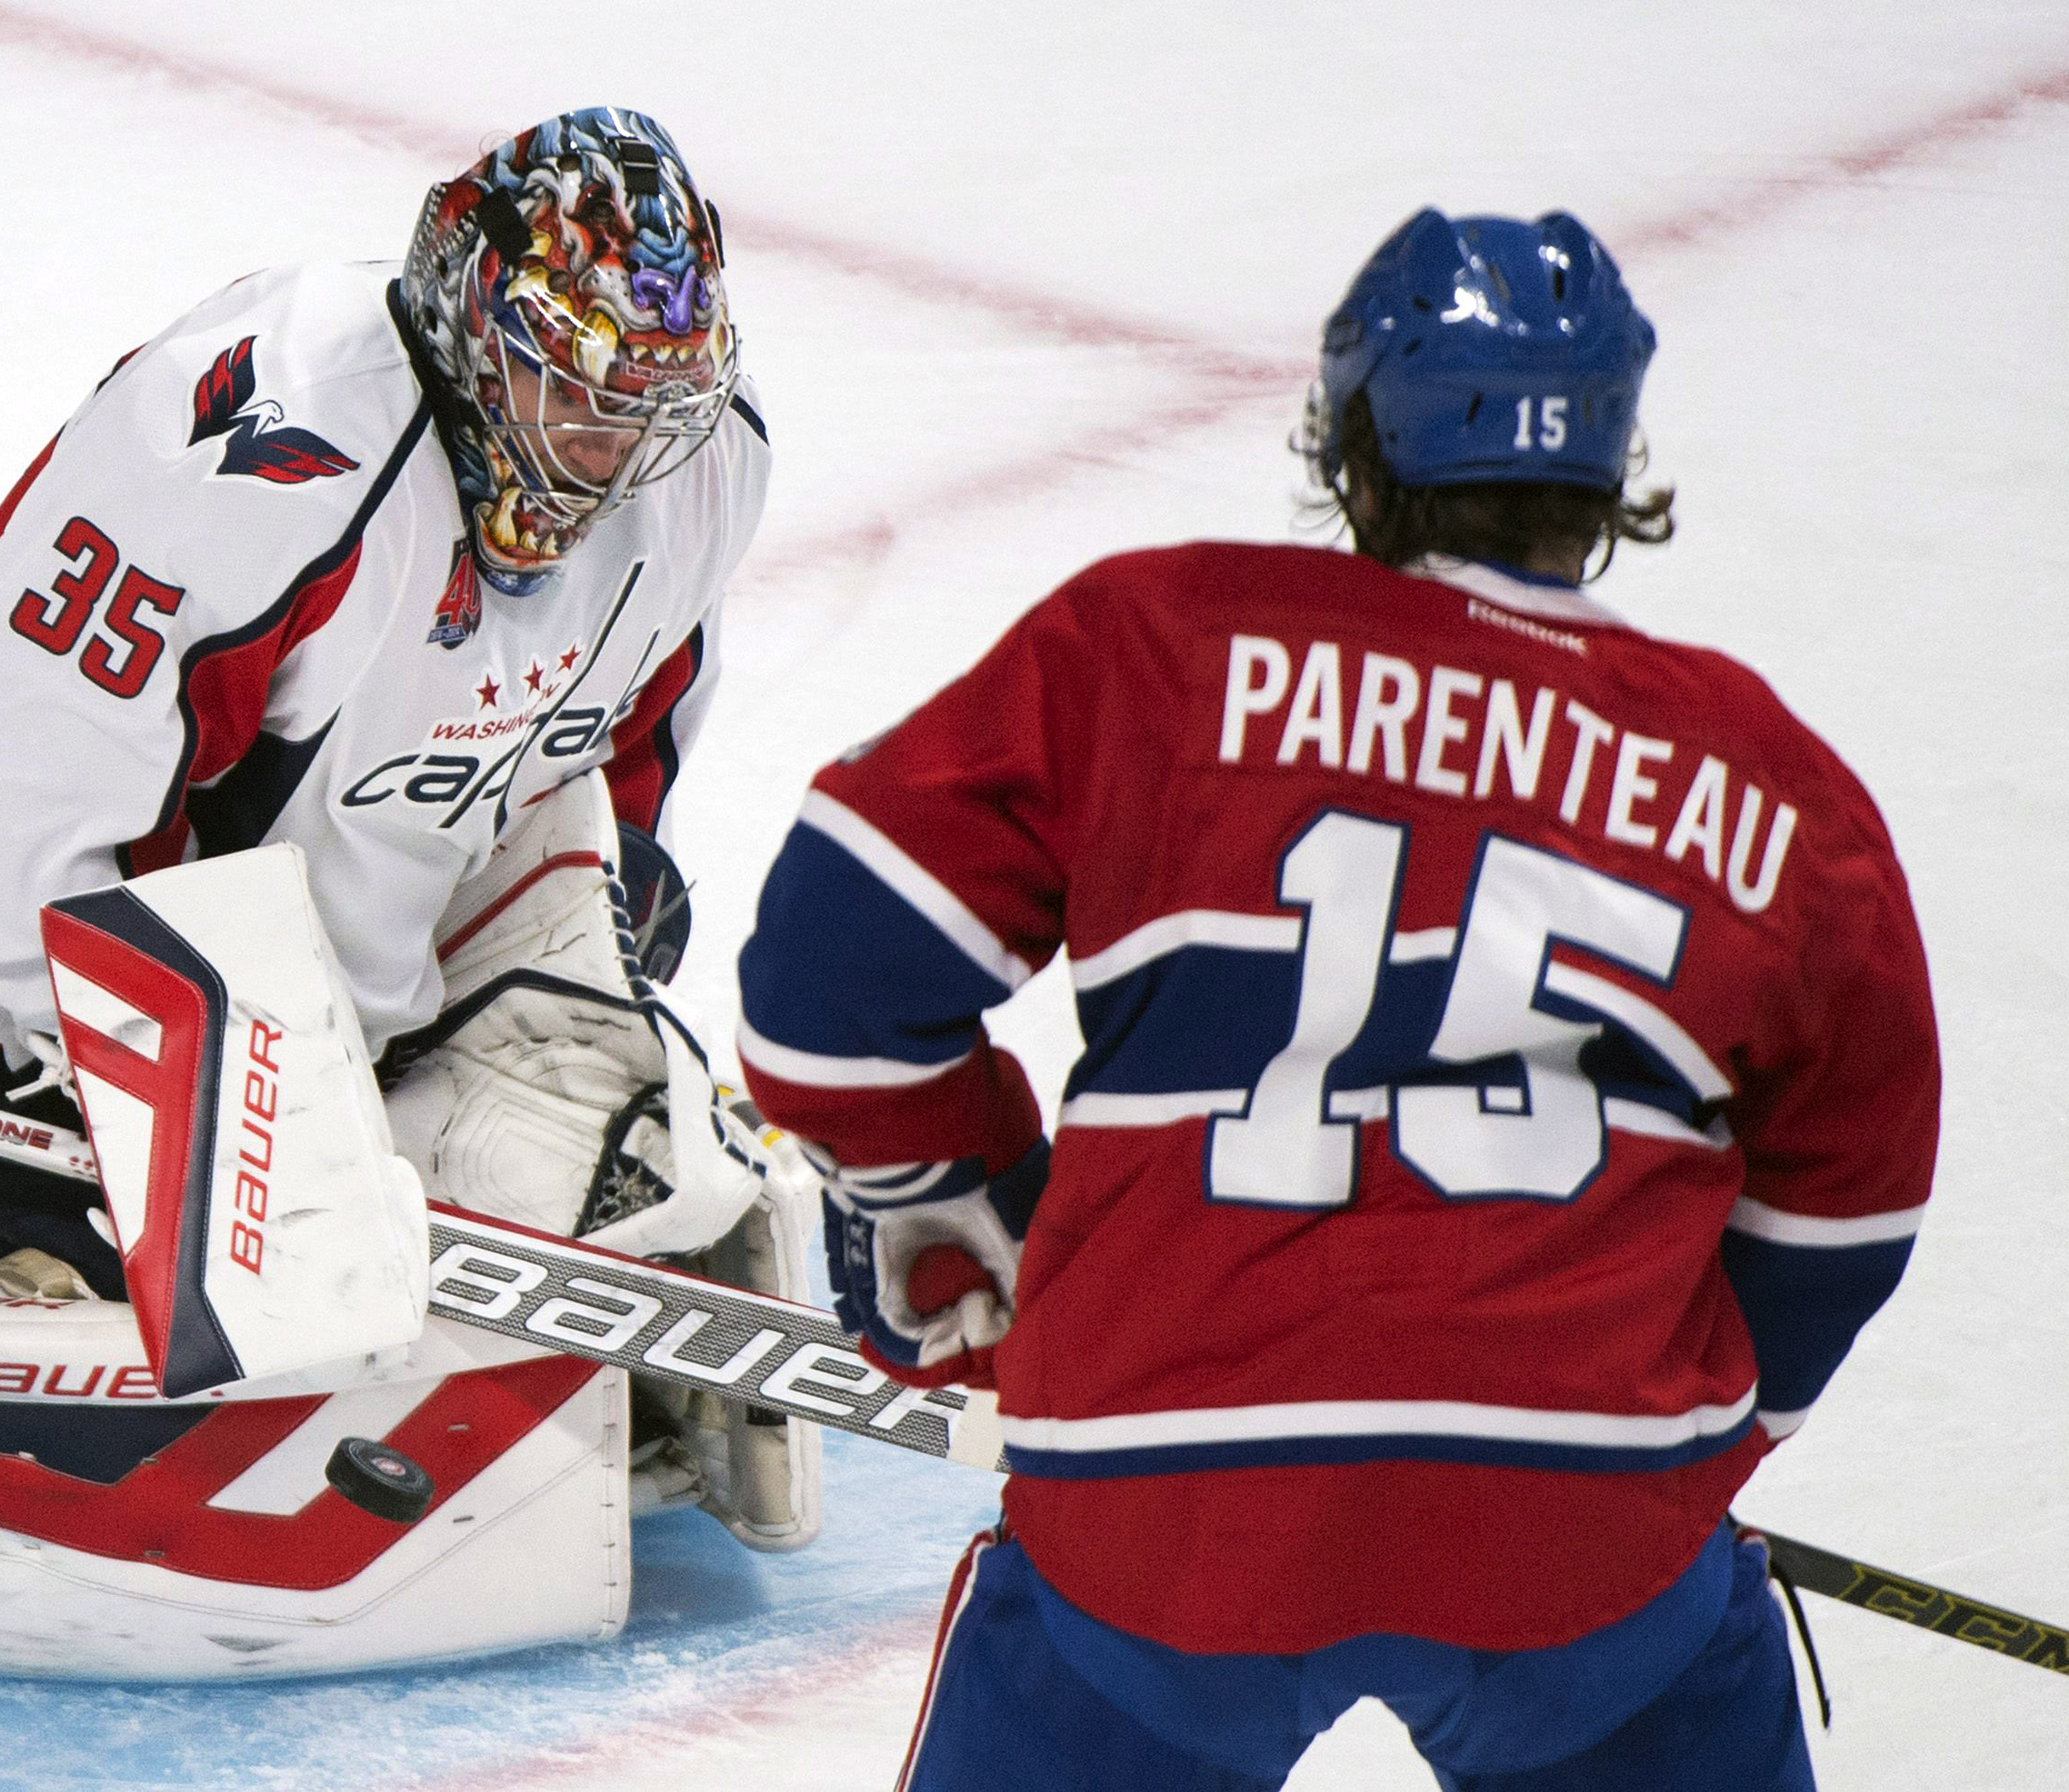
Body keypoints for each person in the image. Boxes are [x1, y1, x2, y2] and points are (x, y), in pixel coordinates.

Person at [736, 209, 1936, 1788]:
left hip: (1169, 1509)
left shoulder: (1159, 651)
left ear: (1353, 441)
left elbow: (825, 979)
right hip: (1578, 1540)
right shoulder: (1770, 783)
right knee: (1654, 1653)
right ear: (1608, 470)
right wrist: (1695, 1436)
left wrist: (970, 1193)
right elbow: (1853, 1198)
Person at [0, 106, 768, 1298]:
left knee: (602, 1056)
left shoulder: (706, 464)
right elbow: (5, 795)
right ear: (470, 319)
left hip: (308, 981)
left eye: (645, 413)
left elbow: (625, 767)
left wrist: (576, 991)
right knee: (219, 1419)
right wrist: (221, 1134)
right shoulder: (259, 435)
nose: (609, 455)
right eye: (569, 394)